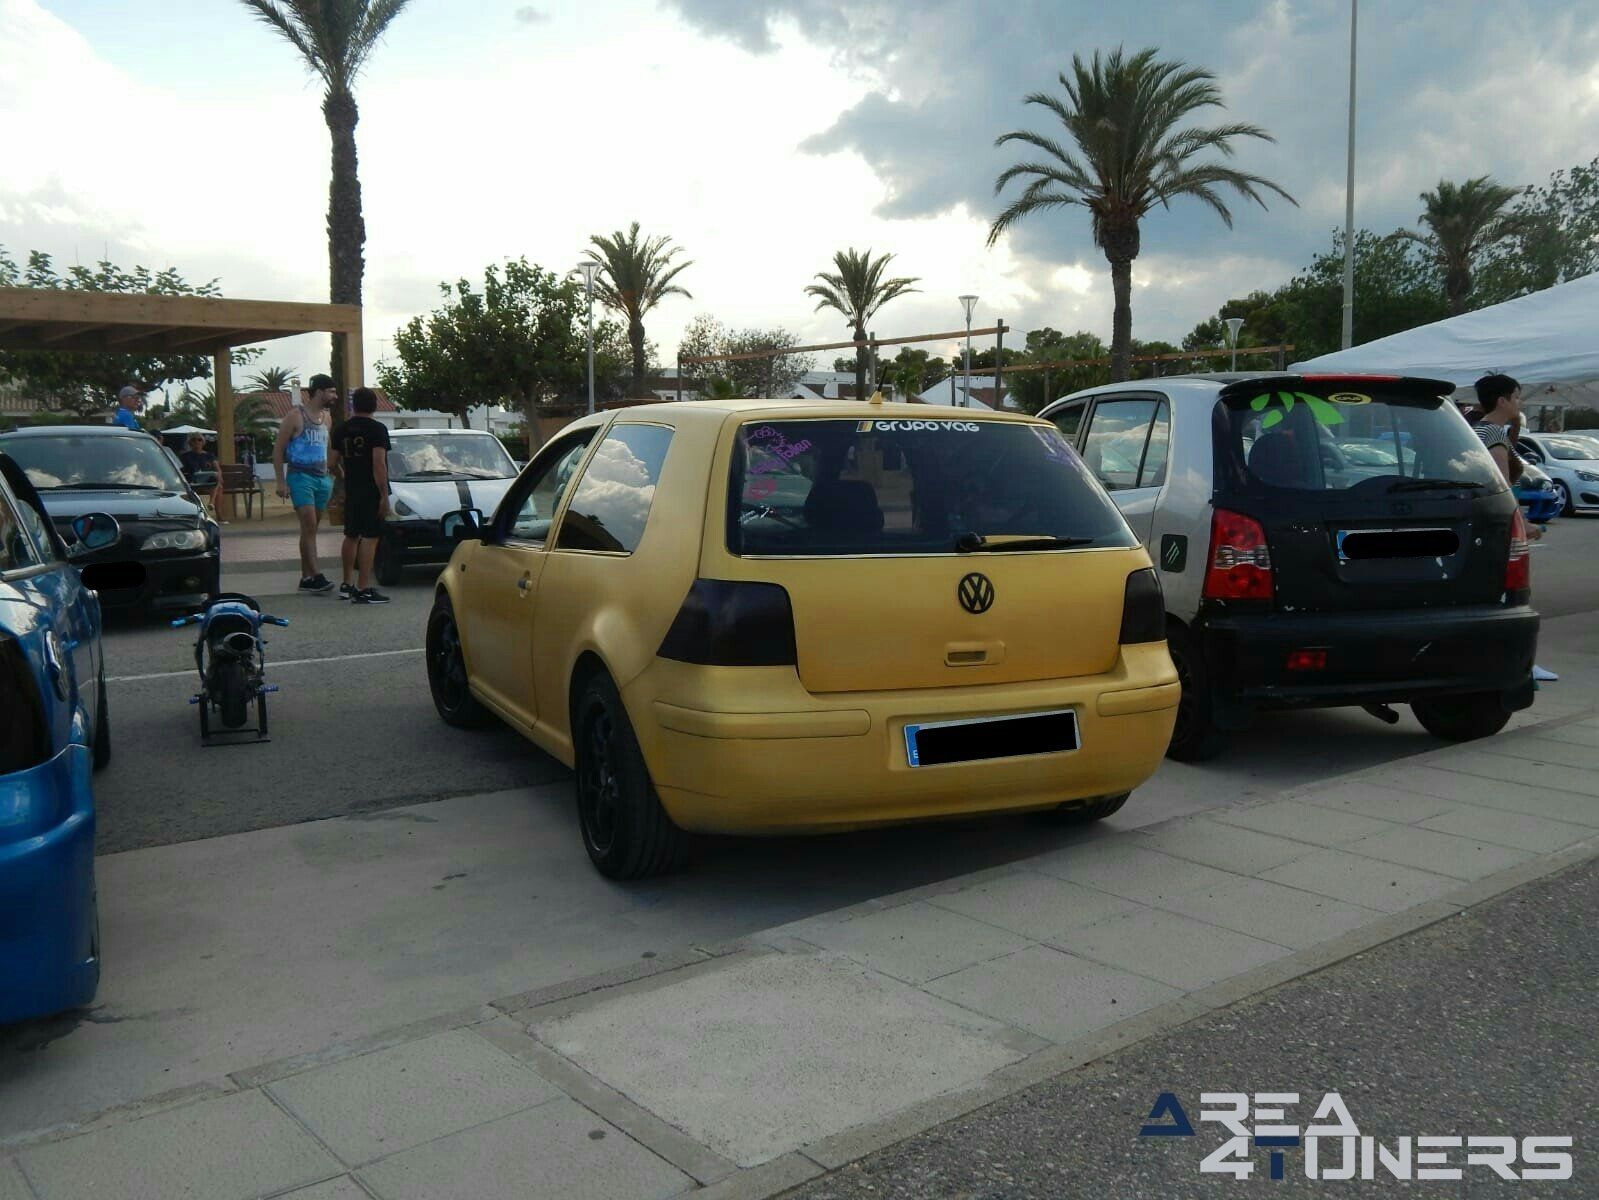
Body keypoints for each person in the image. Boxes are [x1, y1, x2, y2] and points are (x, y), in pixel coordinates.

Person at [1473, 373, 1558, 684]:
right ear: (1503, 400)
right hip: (1503, 528)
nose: (1520, 403)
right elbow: (1502, 487)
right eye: (1517, 397)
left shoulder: (1476, 430)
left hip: (1486, 525)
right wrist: (1524, 525)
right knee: (1514, 597)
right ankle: (1522, 663)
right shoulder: (1493, 434)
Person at [273, 374, 337, 593]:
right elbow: (278, 449)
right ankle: (316, 575)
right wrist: (281, 481)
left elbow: (327, 448)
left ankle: (306, 577)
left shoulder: (327, 418)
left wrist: (334, 472)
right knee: (309, 525)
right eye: (331, 391)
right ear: (319, 391)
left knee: (311, 529)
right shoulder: (295, 416)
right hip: (300, 477)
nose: (334, 396)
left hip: (322, 478)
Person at [330, 387, 392, 604]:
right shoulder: (377, 430)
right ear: (374, 405)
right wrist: (384, 495)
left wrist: (344, 477)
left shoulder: (341, 429)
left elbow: (331, 463)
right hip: (370, 489)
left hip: (352, 489)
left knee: (351, 535)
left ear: (353, 405)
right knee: (370, 537)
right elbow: (379, 465)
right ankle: (364, 588)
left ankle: (346, 584)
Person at [179, 434, 225, 519]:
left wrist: (219, 475)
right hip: (192, 481)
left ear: (203, 442)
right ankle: (212, 504)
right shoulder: (185, 456)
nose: (197, 442)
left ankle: (217, 512)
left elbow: (218, 469)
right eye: (194, 440)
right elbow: (180, 470)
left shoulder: (209, 455)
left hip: (207, 481)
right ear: (190, 443)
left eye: (199, 440)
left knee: (217, 481)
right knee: (217, 484)